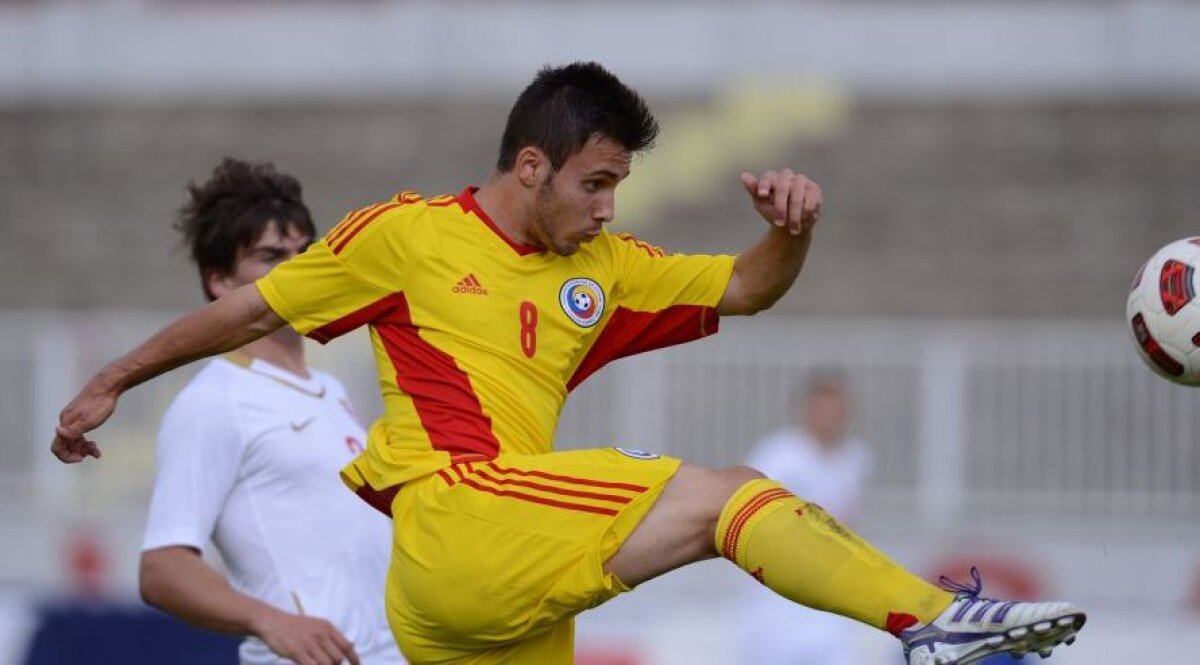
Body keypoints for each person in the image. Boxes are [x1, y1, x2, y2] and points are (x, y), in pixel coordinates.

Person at [52, 63, 1085, 665]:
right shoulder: (404, 236)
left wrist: (794, 233)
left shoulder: (606, 266)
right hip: (455, 521)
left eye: (619, 186)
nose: (608, 207)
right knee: (730, 495)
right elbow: (247, 314)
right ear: (531, 164)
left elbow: (743, 286)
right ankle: (935, 620)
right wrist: (111, 382)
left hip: (485, 599)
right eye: (595, 182)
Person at [136, 159, 404, 665]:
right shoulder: (215, 401)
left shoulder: (330, 388)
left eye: (305, 253)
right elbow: (162, 568)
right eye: (271, 257)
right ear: (219, 282)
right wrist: (270, 619)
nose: (297, 270)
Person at [739, 371, 876, 665]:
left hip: (830, 592)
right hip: (779, 595)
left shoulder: (856, 457)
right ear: (808, 409)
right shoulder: (779, 455)